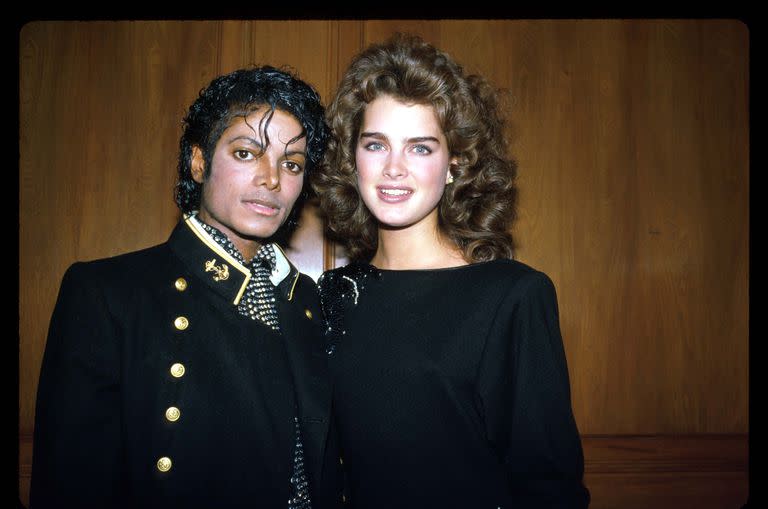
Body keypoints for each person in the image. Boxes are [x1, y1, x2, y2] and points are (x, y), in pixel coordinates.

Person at [31, 66, 342, 509]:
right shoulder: (107, 293)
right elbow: (70, 484)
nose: (272, 179)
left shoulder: (307, 300)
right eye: (247, 153)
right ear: (199, 162)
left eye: (290, 164)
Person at [313, 33, 590, 508]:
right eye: (376, 145)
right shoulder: (330, 294)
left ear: (454, 165)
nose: (394, 168)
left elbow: (549, 486)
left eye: (420, 148)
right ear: (351, 159)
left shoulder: (513, 296)